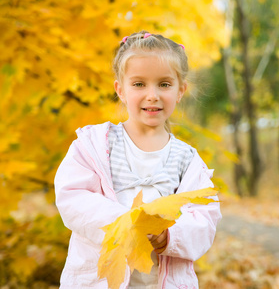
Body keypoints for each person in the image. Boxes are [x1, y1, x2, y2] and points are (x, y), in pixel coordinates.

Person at [54, 31, 221, 289]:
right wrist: (125, 223)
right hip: (99, 280)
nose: (152, 95)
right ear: (120, 90)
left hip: (159, 282)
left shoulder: (187, 160)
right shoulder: (96, 144)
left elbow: (204, 220)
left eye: (164, 84)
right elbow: (72, 197)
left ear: (180, 90)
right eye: (139, 84)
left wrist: (169, 235)